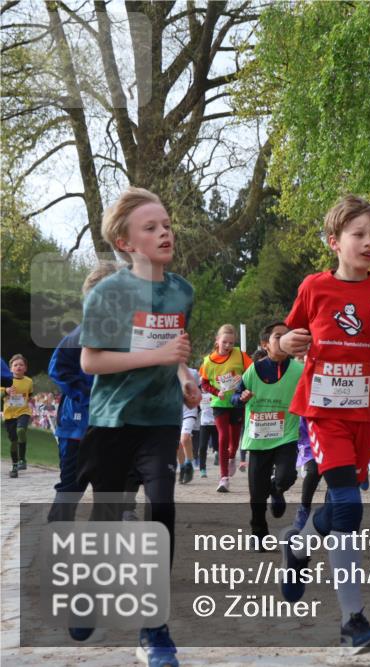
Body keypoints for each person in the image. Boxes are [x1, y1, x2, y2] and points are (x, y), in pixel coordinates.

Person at [276, 194, 370, 653]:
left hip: (366, 414)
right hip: (323, 413)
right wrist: (287, 342)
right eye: (359, 234)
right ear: (334, 242)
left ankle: (298, 543)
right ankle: (352, 620)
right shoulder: (314, 287)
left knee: (342, 510)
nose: (369, 242)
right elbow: (285, 336)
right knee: (349, 508)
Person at [76, 186, 200, 666]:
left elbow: (175, 349)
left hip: (161, 419)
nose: (164, 232)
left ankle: (155, 629)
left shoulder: (182, 291)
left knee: (162, 510)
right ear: (125, 242)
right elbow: (91, 361)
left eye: (166, 224)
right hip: (113, 420)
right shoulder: (109, 293)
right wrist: (160, 356)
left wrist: (185, 377)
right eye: (150, 227)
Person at [46, 261, 118, 519]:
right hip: (77, 427)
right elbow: (58, 369)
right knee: (70, 489)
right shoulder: (78, 336)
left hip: (111, 428)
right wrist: (86, 397)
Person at [229, 321, 304, 544]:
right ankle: (259, 534)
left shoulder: (300, 370)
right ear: (265, 344)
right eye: (277, 337)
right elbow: (234, 397)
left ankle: (277, 488)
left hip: (286, 436)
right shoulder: (255, 369)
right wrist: (240, 398)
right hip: (258, 439)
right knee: (256, 495)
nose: (283, 340)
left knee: (287, 476)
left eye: (287, 336)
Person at [199, 324, 251, 492]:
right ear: (217, 341)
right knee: (223, 437)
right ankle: (224, 478)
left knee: (234, 441)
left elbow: (252, 372)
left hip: (237, 403)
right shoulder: (208, 361)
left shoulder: (240, 355)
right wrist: (216, 392)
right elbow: (204, 383)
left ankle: (231, 457)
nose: (228, 346)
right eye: (225, 342)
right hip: (219, 404)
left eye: (231, 342)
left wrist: (244, 388)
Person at [4, 354, 33, 477]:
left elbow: (30, 395)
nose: (18, 367)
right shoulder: (4, 380)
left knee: (21, 430)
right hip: (9, 415)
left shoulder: (29, 381)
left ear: (25, 368)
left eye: (21, 365)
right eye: (15, 365)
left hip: (23, 411)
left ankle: (23, 460)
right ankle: (15, 466)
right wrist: (6, 391)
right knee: (14, 441)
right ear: (11, 368)